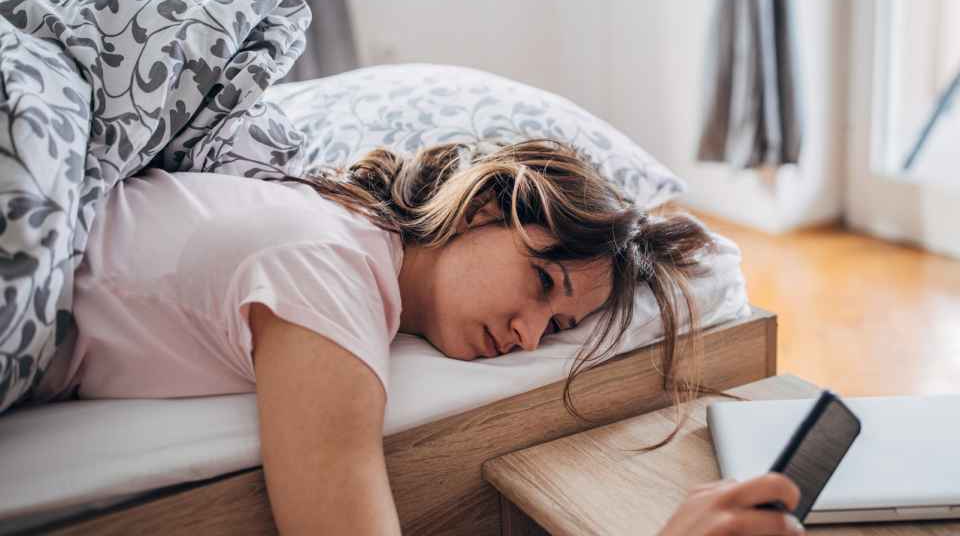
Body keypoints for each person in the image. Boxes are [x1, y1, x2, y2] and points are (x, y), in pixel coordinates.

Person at [13, 139, 801, 535]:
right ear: (487, 207)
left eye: (557, 328)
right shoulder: (328, 266)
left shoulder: (339, 240)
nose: (529, 338)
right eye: (541, 285)